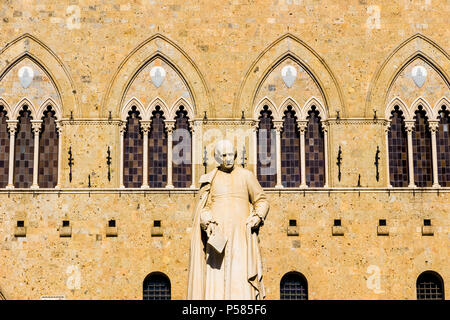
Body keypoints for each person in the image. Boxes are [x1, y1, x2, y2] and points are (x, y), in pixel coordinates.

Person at [187, 140, 270, 299]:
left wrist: (258, 217)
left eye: (231, 154)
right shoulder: (210, 179)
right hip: (218, 239)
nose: (229, 158)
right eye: (224, 155)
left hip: (240, 236)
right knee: (216, 277)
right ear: (218, 157)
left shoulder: (246, 176)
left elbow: (262, 200)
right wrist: (207, 222)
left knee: (241, 272)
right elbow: (203, 208)